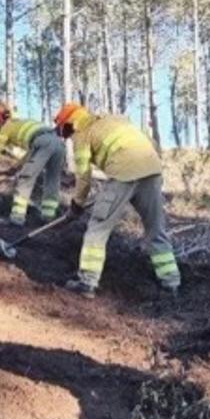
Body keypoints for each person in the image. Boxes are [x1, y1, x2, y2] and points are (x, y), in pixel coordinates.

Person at [54, 102, 180, 298]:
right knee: (156, 230)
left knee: (98, 227)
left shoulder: (82, 135)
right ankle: (171, 283)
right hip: (152, 169)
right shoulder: (114, 119)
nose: (67, 136)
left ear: (69, 123)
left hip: (123, 172)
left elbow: (83, 177)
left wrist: (77, 205)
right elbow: (150, 143)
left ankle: (87, 282)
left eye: (65, 131)